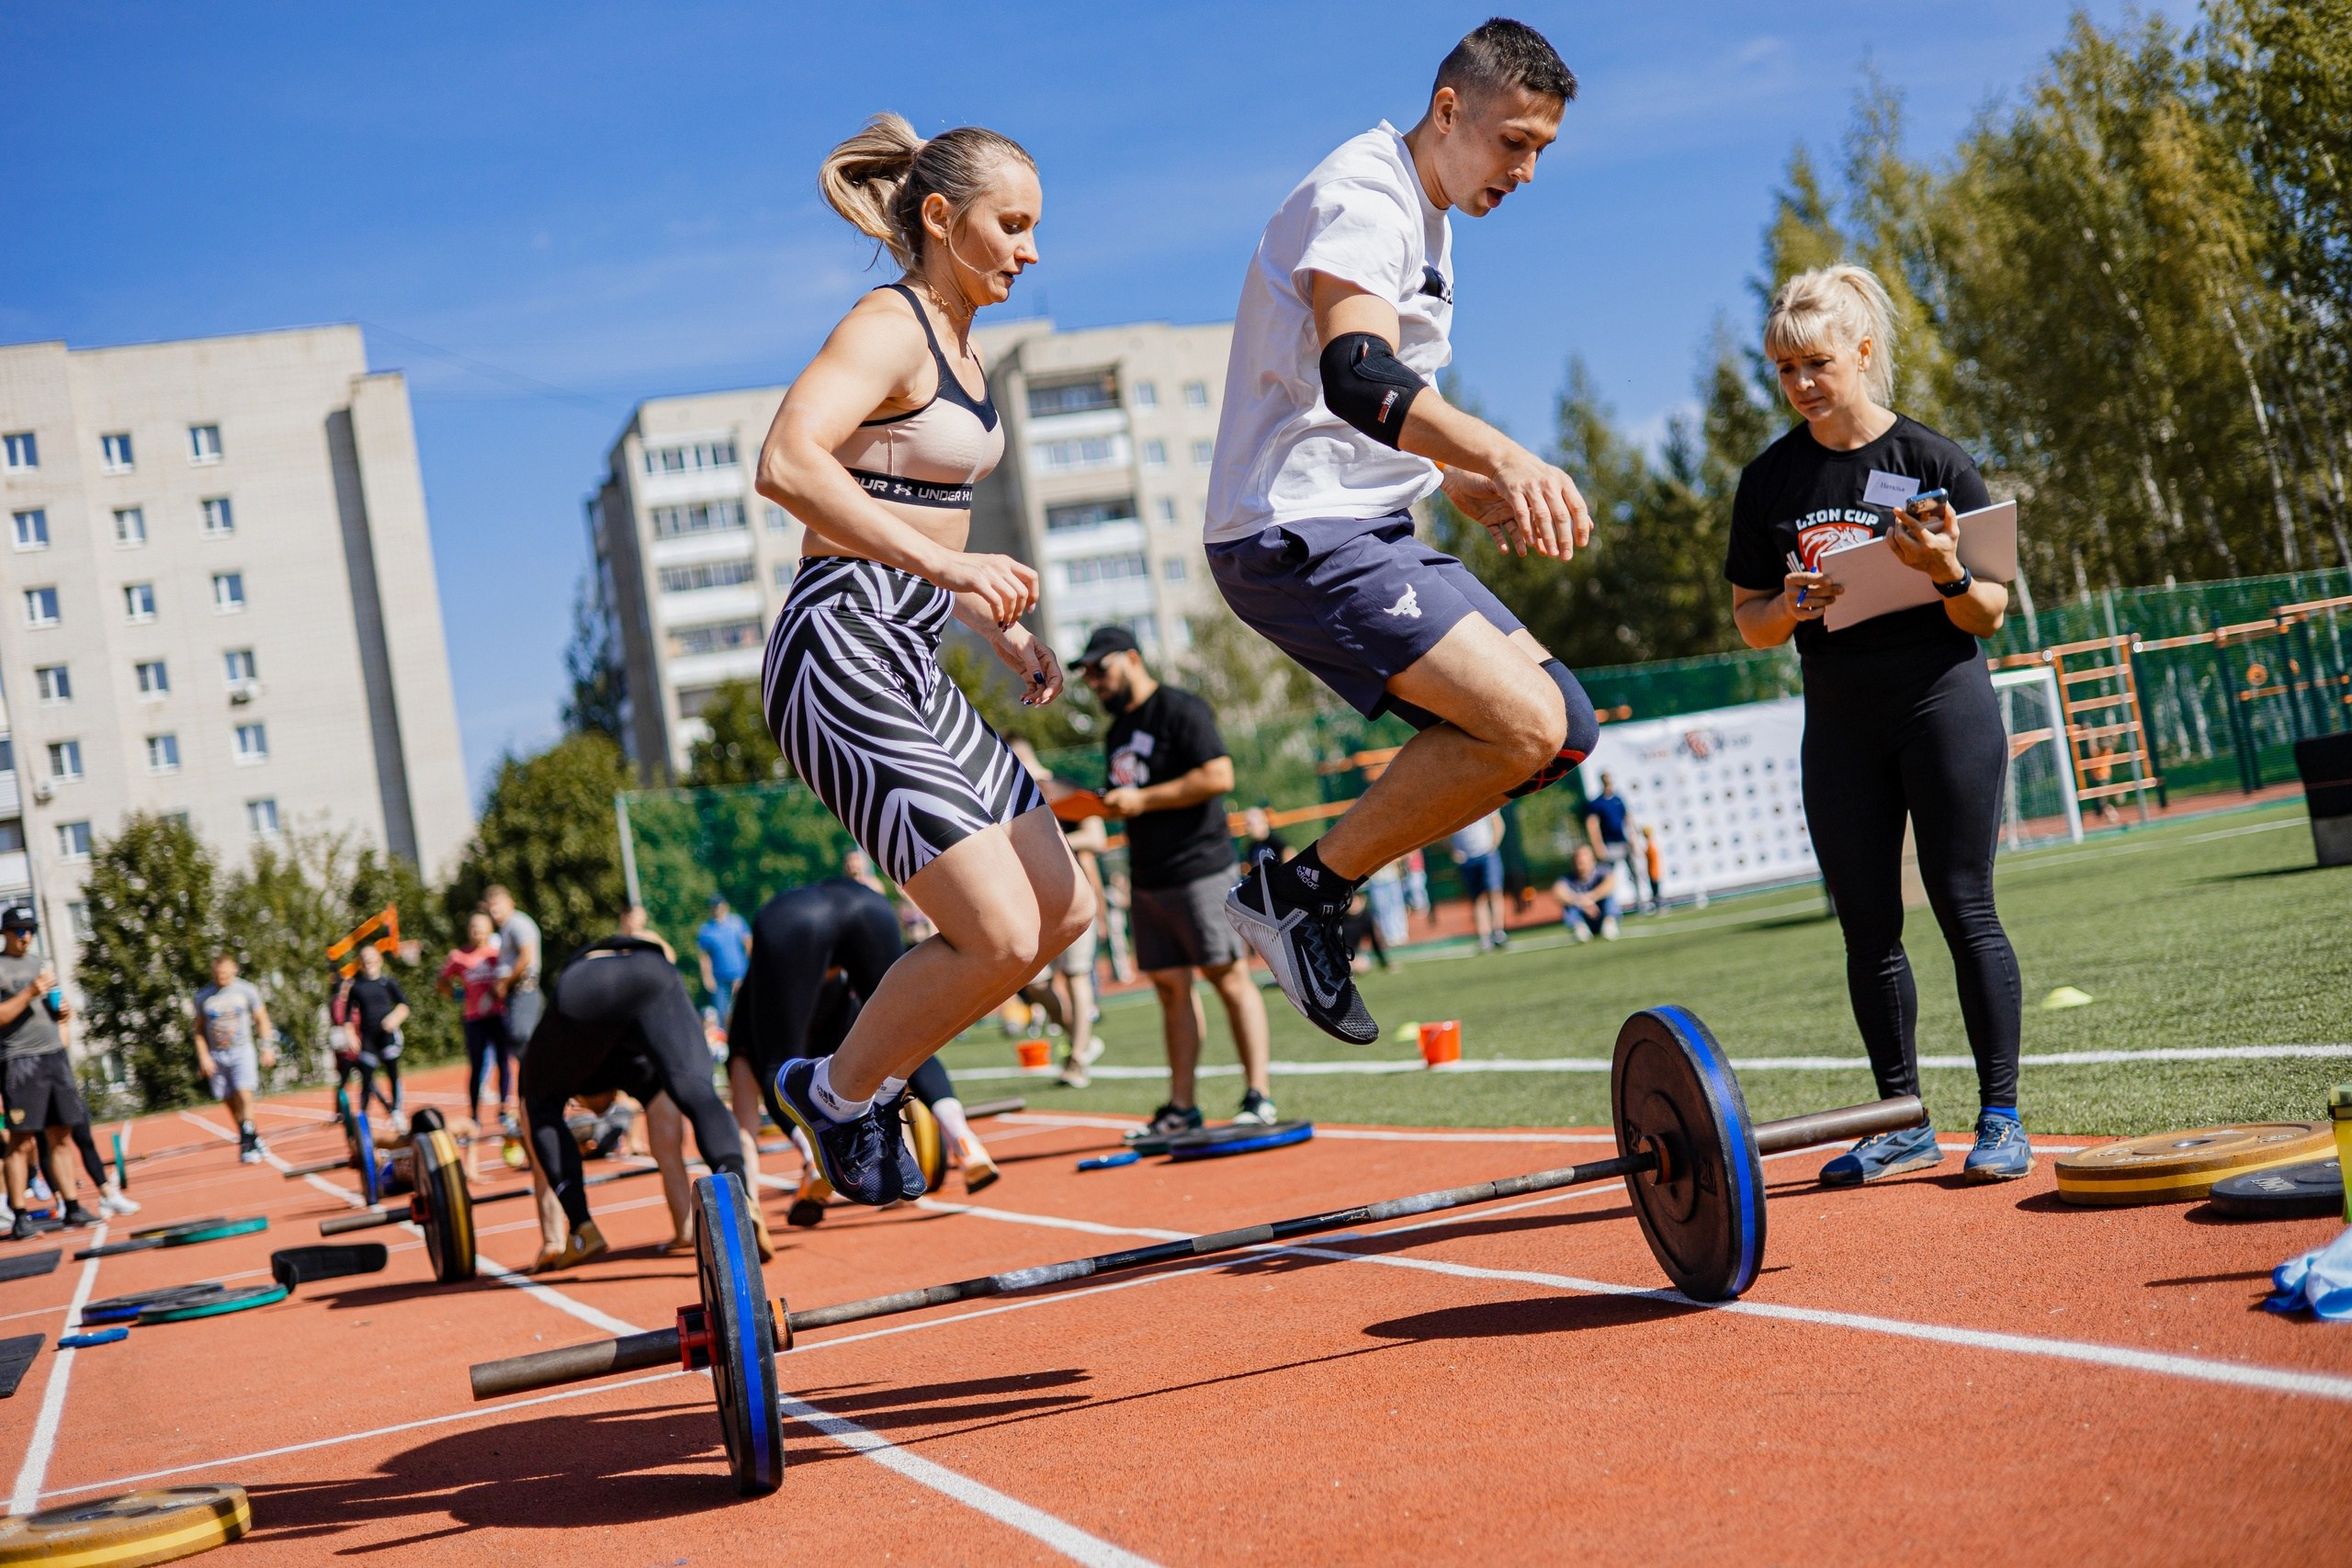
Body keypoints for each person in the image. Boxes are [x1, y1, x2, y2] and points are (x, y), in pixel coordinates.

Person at [1207, 20, 1600, 1043]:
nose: (1525, 170)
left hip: (1367, 519)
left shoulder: (1429, 216)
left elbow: (1367, 397)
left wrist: (1451, 473)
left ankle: (1306, 890)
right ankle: (1298, 893)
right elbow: (1356, 376)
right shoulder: (1365, 197)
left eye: (1542, 152)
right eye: (1515, 141)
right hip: (1292, 529)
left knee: (1562, 730)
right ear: (1447, 111)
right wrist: (1504, 454)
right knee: (1522, 726)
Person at [751, 110, 1091, 1210]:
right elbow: (788, 462)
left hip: (909, 647)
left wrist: (994, 623)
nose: (1032, 250)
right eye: (1014, 225)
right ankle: (838, 1093)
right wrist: (952, 579)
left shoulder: (965, 348)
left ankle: (854, 1083)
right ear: (942, 219)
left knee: (1064, 911)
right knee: (992, 931)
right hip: (837, 645)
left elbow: (924, 508)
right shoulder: (888, 324)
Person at [1724, 262, 2029, 1184]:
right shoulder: (1769, 479)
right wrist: (1790, 603)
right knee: (1866, 926)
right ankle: (1901, 1118)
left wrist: (1942, 569)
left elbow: (1990, 612)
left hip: (1943, 705)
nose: (1801, 384)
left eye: (1816, 363)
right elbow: (1749, 622)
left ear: (1862, 353)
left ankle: (2000, 1117)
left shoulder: (1934, 463)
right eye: (1784, 369)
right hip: (1840, 724)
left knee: (1963, 906)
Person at [1077, 626, 1277, 1133]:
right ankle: (1182, 1105)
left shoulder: (1181, 708)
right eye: (1088, 675)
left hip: (1200, 869)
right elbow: (1130, 791)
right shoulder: (1117, 729)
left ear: (1132, 659)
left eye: (1102, 670)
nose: (1095, 682)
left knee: (1227, 978)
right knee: (1170, 990)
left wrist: (1142, 800)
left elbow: (1219, 777)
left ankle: (1259, 1096)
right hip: (1148, 876)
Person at [728, 878, 1001, 1224]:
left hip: (790, 921)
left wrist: (747, 1193)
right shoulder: (836, 997)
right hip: (864, 904)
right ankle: (965, 1140)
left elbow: (743, 1081)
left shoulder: (757, 991)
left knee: (778, 1069)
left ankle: (815, 1159)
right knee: (906, 1038)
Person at [519, 932, 768, 1270]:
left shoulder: (569, 1064)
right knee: (697, 1093)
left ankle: (580, 1228)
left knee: (538, 1105)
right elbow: (667, 1130)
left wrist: (554, 1234)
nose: (600, 1109)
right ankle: (740, 1201)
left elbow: (538, 1134)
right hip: (652, 971)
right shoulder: (637, 1068)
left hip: (585, 987)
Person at [0, 907, 96, 1235]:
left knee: (61, 1134)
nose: (25, 936)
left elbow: (48, 1005)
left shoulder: (39, 964)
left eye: (30, 930)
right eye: (18, 930)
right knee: (22, 1139)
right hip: (19, 1060)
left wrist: (62, 1011)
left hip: (53, 1055)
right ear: (5, 933)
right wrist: (31, 992)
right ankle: (21, 1216)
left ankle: (71, 1206)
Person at [193, 953, 276, 1164]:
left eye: (225, 972)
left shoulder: (246, 990)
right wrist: (204, 1057)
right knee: (228, 1097)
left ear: (234, 970)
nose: (221, 976)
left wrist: (267, 1047)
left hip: (242, 1049)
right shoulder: (204, 996)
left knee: (244, 1091)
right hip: (218, 1054)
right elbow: (199, 1031)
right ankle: (250, 1134)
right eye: (217, 973)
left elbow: (262, 1019)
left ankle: (247, 1142)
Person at [438, 911, 514, 1129]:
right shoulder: (458, 956)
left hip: (498, 1016)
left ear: (489, 930)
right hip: (474, 1019)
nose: (477, 933)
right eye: (473, 928)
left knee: (503, 1062)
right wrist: (458, 994)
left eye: (481, 928)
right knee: (477, 1066)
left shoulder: (498, 954)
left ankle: (504, 1110)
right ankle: (474, 1113)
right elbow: (442, 982)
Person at [345, 943, 410, 1126]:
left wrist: (394, 1019)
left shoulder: (387, 982)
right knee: (366, 1078)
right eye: (364, 959)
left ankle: (397, 1111)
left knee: (393, 1074)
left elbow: (404, 1005)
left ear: (379, 960)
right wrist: (350, 1035)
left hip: (387, 1036)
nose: (368, 962)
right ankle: (363, 1116)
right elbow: (348, 1017)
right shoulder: (356, 986)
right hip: (368, 1038)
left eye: (371, 958)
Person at [485, 886, 543, 1055]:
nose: (494, 910)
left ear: (510, 902)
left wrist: (504, 983)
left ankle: (538, 1078)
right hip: (516, 992)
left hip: (524, 989)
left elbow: (526, 957)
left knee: (521, 1039)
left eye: (498, 904)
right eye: (491, 906)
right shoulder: (506, 927)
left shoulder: (517, 923)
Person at [1584, 771, 1651, 912]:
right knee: (1607, 877)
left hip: (1625, 843)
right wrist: (1598, 846)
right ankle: (1609, 907)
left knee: (1637, 873)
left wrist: (1634, 840)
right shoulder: (1597, 803)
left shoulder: (1618, 799)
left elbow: (1628, 819)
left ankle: (1642, 902)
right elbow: (1592, 825)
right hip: (1610, 845)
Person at [1448, 809, 1509, 951]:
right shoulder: (1453, 808)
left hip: (1487, 854)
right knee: (1478, 898)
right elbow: (1444, 835)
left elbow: (1498, 824)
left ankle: (1499, 933)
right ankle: (1485, 937)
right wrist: (1453, 851)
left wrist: (1493, 845)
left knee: (1495, 891)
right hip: (1467, 859)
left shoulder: (1484, 802)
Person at [695, 896, 751, 1020]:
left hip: (740, 975)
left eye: (719, 906)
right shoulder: (706, 930)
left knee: (747, 1008)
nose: (717, 910)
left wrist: (750, 969)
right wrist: (707, 977)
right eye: (714, 907)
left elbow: (748, 943)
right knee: (722, 1013)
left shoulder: (737, 922)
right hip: (720, 979)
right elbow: (704, 956)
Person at [1551, 842, 1620, 942]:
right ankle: (1579, 928)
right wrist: (1581, 901)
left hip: (1600, 913)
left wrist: (1592, 897)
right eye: (1578, 857)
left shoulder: (1602, 871)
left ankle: (1609, 924)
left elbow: (1610, 883)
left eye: (1584, 856)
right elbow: (1558, 892)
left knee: (1609, 898)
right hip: (1583, 917)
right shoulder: (1568, 879)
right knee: (1569, 906)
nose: (1581, 860)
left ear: (1592, 858)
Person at [1239, 807, 1288, 874]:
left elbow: (1288, 856)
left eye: (1250, 824)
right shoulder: (1251, 848)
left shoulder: (1275, 842)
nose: (1248, 828)